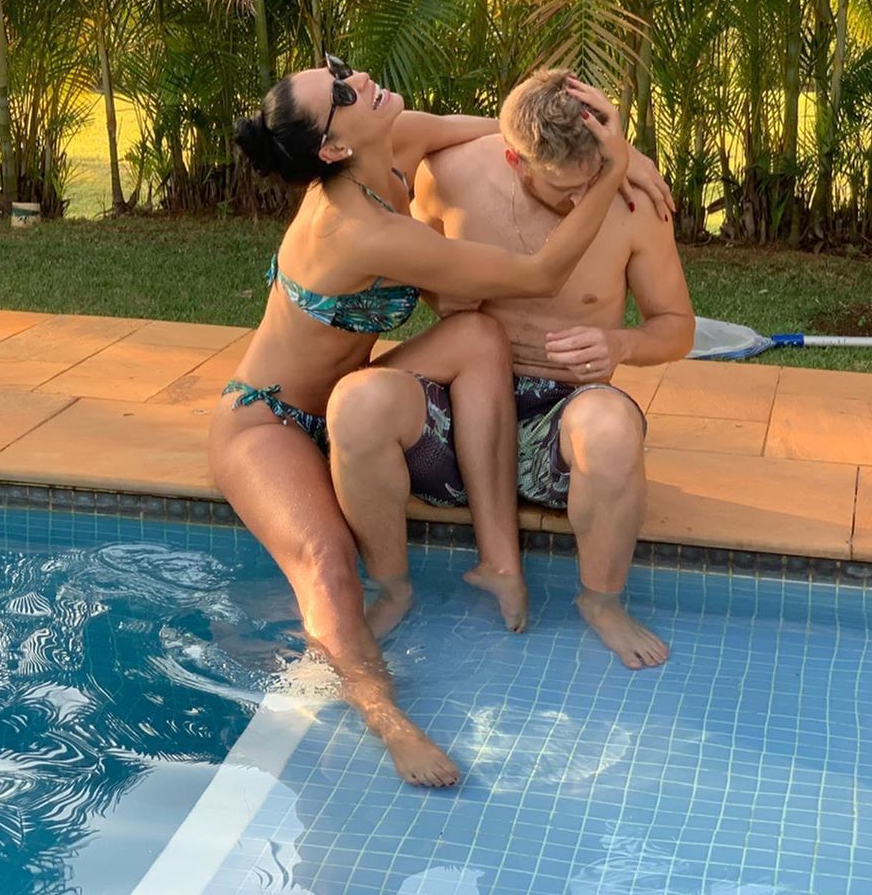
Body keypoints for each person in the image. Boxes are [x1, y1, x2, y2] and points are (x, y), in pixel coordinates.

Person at [208, 55, 632, 787]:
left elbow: (506, 132)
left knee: (477, 336)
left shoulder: (394, 138)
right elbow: (539, 275)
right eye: (342, 92)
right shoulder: (357, 229)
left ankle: (500, 562)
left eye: (340, 69)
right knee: (326, 564)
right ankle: (386, 718)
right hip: (270, 421)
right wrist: (613, 175)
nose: (357, 79)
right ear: (333, 148)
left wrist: (610, 155)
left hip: (348, 403)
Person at [343, 68, 694, 671]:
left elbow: (676, 326)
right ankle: (392, 587)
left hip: (559, 420)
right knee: (359, 404)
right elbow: (411, 264)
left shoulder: (634, 200)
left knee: (611, 431)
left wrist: (619, 344)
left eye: (593, 181)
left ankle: (601, 601)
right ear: (515, 158)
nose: (582, 202)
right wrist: (441, 295)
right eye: (564, 189)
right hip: (455, 414)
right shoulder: (450, 177)